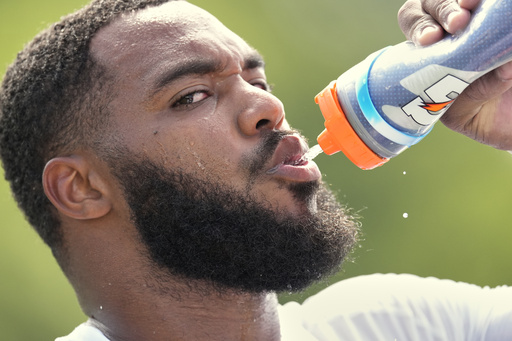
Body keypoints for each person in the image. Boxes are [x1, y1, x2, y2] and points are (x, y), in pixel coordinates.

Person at [0, 0, 511, 339]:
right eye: (192, 96)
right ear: (82, 188)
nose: (268, 108)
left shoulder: (405, 324)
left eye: (258, 81)